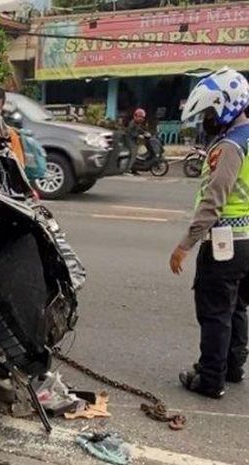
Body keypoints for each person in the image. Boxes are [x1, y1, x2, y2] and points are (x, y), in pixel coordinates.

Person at [169, 67, 249, 399]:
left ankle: (211, 379)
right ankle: (232, 366)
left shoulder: (230, 146)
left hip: (224, 244)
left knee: (216, 311)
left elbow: (213, 200)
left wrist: (185, 245)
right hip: (247, 243)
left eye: (211, 112)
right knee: (236, 307)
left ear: (228, 106)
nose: (207, 119)